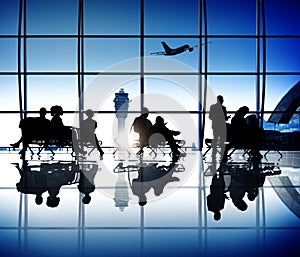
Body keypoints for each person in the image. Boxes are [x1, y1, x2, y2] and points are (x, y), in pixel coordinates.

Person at [209, 96, 230, 162]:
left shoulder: (213, 107)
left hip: (215, 125)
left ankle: (214, 153)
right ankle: (222, 153)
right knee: (222, 140)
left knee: (215, 138)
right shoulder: (223, 108)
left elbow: (210, 116)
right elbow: (225, 118)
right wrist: (227, 118)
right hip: (221, 126)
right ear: (222, 100)